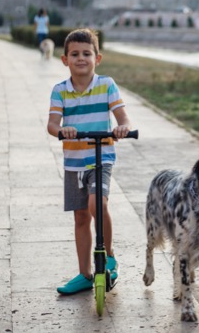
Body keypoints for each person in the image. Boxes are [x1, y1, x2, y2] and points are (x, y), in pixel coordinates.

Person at [47, 28, 134, 294]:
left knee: (98, 204)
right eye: (75, 54)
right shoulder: (60, 91)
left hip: (101, 158)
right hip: (74, 162)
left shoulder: (106, 85)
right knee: (80, 217)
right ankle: (85, 273)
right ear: (65, 60)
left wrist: (123, 128)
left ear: (98, 58)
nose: (81, 58)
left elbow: (124, 118)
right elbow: (52, 124)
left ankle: (108, 255)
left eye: (87, 53)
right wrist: (62, 130)